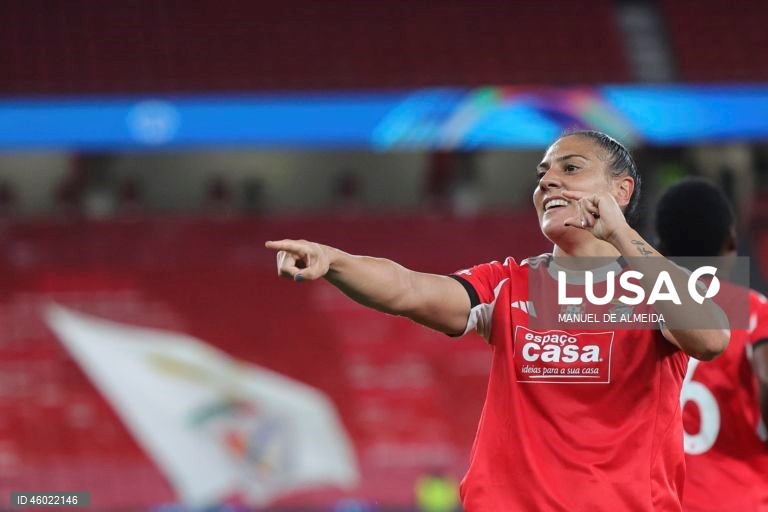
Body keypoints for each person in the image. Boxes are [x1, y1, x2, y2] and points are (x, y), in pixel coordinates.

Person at [265, 131, 728, 511]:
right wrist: (335, 261)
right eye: (542, 174)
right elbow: (407, 288)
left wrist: (622, 235)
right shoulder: (510, 281)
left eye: (570, 168)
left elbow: (710, 338)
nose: (548, 182)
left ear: (620, 191)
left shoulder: (663, 285)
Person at [654, 178, 768, 511]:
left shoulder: (636, 311)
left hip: (656, 501)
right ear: (731, 242)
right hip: (740, 501)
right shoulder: (753, 311)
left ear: (659, 250)